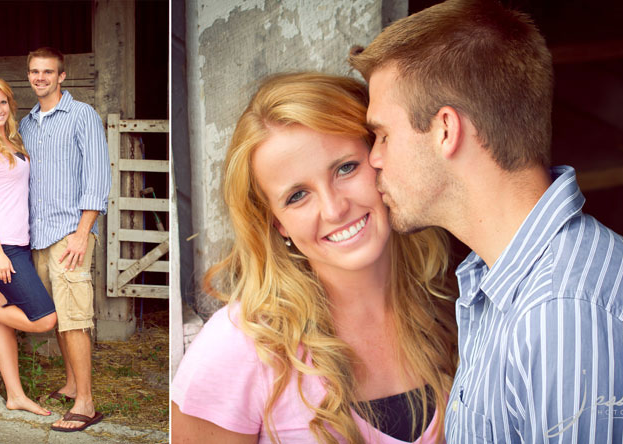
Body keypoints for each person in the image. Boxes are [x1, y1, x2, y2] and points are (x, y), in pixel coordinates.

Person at [349, 0, 623, 442]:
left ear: (446, 130)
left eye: (383, 135)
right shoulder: (505, 279)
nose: (373, 158)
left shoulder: (567, 321)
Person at [171, 72, 458, 444]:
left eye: (345, 168)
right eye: (297, 196)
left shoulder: (451, 306)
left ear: (382, 157)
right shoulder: (237, 347)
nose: (334, 208)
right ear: (278, 223)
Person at [19, 47, 110, 433]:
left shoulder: (82, 115)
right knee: (58, 315)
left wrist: (82, 232)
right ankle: (72, 383)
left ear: (62, 76)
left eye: (48, 72)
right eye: (34, 71)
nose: (40, 77)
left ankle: (86, 403)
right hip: (37, 234)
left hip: (70, 234)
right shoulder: (25, 124)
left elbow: (97, 176)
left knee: (74, 318)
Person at [0, 75, 58, 416]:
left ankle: (15, 395)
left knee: (7, 320)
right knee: (45, 318)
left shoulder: (11, 140)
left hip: (16, 243)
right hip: (0, 249)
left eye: (2, 102)